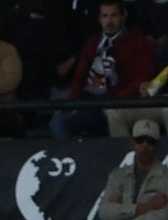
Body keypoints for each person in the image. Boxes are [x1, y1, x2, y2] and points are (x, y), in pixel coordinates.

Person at [50, 0, 156, 138]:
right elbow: (79, 78)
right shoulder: (92, 43)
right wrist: (72, 104)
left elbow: (143, 77)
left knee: (60, 123)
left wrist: (117, 100)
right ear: (99, 19)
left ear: (124, 16)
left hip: (120, 105)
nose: (109, 21)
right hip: (90, 104)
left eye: (114, 15)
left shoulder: (139, 42)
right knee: (57, 121)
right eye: (105, 16)